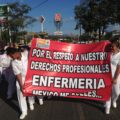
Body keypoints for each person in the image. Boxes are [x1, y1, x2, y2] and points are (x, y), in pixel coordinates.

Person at [105, 39, 120, 114]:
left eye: (113, 47)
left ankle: (114, 100)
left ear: (117, 47)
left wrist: (115, 78)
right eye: (111, 46)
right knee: (107, 91)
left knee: (117, 92)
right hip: (107, 76)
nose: (111, 48)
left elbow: (118, 68)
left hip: (116, 76)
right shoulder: (109, 54)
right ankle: (107, 107)